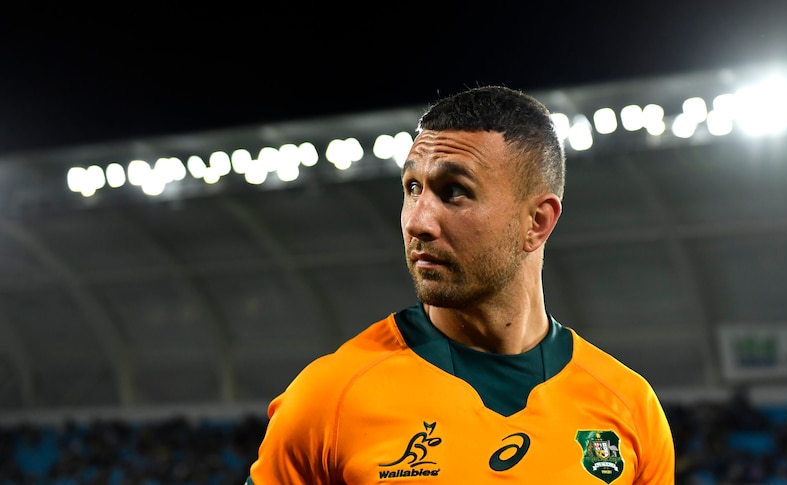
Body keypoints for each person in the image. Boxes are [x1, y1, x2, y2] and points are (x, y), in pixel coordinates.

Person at [246, 85, 675, 484]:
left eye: (454, 192)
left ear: (537, 222)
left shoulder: (630, 406)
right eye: (413, 187)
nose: (417, 221)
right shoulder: (327, 399)